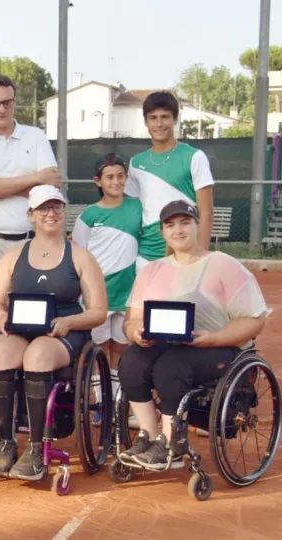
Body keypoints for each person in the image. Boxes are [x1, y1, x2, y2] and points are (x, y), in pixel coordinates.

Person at [117, 201, 270, 470]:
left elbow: (253, 320)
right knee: (131, 361)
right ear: (163, 231)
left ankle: (170, 444)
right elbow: (132, 321)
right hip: (167, 344)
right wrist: (136, 333)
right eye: (170, 225)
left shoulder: (223, 265)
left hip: (219, 347)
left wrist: (215, 338)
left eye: (185, 222)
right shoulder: (151, 271)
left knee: (170, 366)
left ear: (197, 225)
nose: (178, 230)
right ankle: (149, 437)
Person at [0, 185, 107, 481]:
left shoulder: (81, 257)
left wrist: (69, 323)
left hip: (63, 331)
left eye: (56, 207)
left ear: (64, 212)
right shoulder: (12, 256)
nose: (50, 213)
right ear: (31, 215)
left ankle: (37, 447)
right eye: (43, 209)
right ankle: (5, 442)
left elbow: (98, 311)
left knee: (37, 355)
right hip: (21, 328)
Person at [0, 74, 63, 386]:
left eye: (7, 102)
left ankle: (20, 400)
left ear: (15, 101)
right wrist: (33, 179)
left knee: (31, 323)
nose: (1, 109)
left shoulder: (35, 136)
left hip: (32, 244)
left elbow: (51, 185)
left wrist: (0, 186)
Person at [71, 153, 142, 400]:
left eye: (121, 176)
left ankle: (117, 401)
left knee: (122, 348)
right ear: (98, 181)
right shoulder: (88, 216)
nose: (116, 182)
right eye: (109, 177)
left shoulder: (138, 207)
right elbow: (79, 256)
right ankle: (102, 403)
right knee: (99, 349)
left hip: (128, 294)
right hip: (97, 296)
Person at [125, 91, 214, 271]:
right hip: (145, 257)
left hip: (184, 257)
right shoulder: (136, 163)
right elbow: (131, 213)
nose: (159, 124)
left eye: (165, 117)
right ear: (146, 121)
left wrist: (199, 261)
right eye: (153, 118)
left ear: (175, 119)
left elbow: (206, 213)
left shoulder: (195, 157)